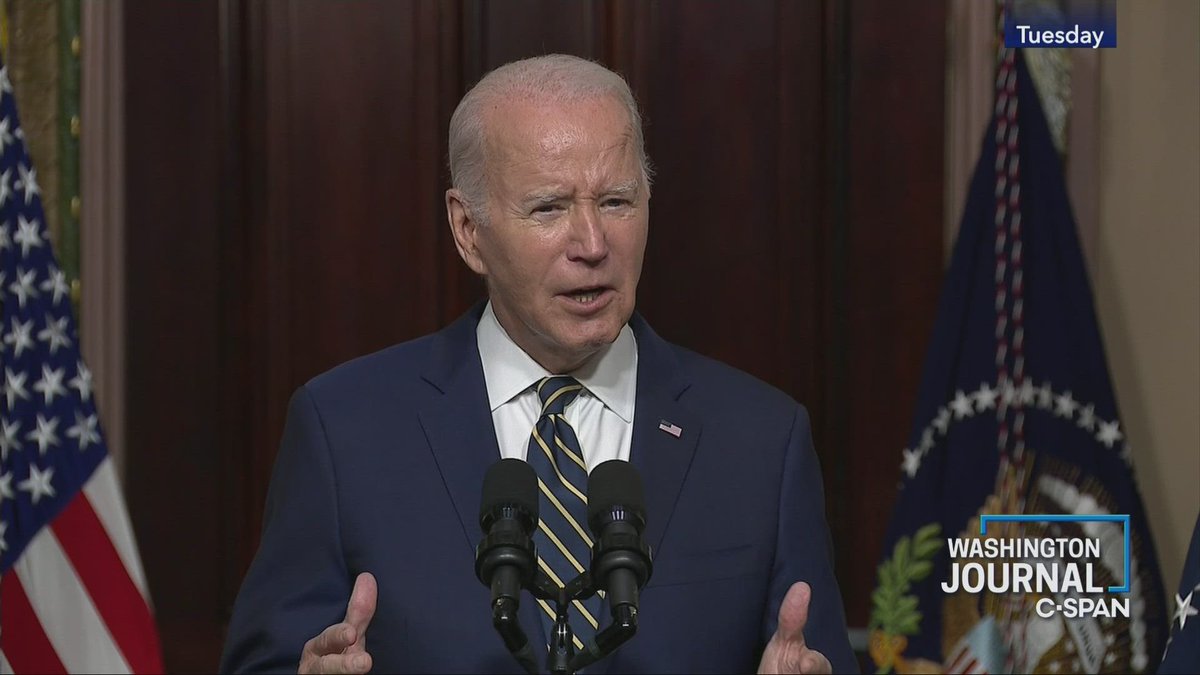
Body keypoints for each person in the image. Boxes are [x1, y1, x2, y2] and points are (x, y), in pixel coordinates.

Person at [221, 54, 857, 674]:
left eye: (616, 201)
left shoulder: (762, 441)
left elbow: (812, 650)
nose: (592, 244)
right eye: (550, 207)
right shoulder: (344, 430)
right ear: (468, 229)